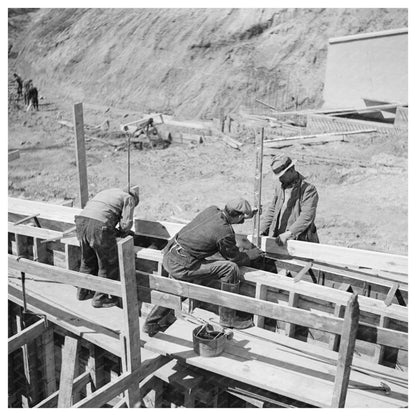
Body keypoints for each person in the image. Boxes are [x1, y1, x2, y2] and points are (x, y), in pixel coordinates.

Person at [143, 198, 264, 336]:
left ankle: (151, 323)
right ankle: (228, 318)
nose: (244, 221)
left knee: (181, 287)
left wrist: (249, 213)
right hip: (182, 266)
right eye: (244, 217)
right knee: (230, 268)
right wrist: (250, 255)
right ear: (240, 215)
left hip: (172, 254)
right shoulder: (225, 232)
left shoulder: (212, 210)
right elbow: (234, 258)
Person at [74, 186, 140, 308]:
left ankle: (81, 292)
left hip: (81, 222)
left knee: (87, 261)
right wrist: (122, 231)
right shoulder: (129, 198)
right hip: (99, 226)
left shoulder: (107, 192)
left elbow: (96, 212)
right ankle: (100, 299)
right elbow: (126, 225)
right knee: (108, 264)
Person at [260, 155, 319, 245]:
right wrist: (261, 230)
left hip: (299, 240)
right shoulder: (279, 187)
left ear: (291, 170)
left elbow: (307, 216)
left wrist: (289, 233)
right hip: (278, 238)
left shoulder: (308, 190)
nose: (280, 179)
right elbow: (272, 211)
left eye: (282, 175)